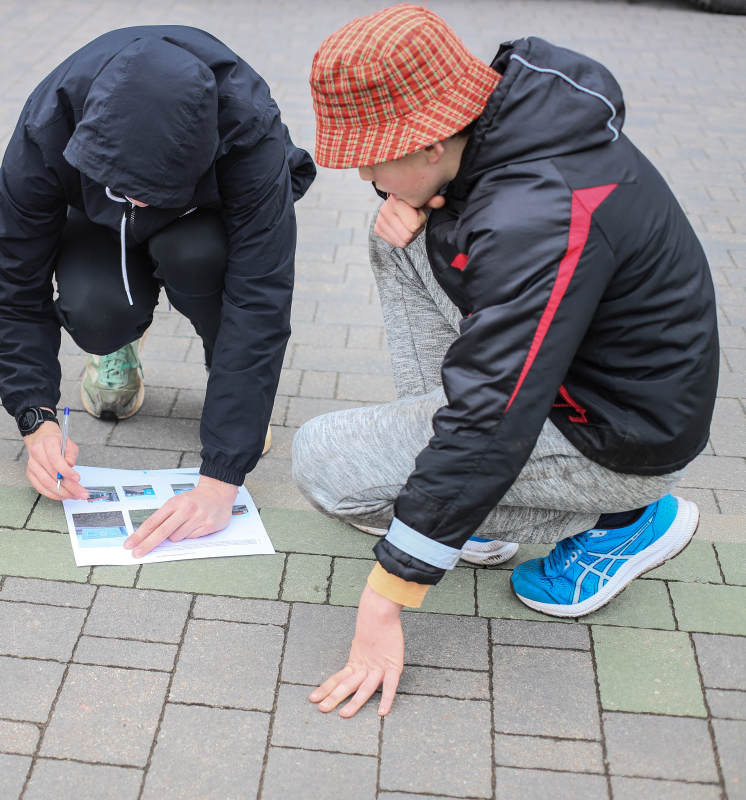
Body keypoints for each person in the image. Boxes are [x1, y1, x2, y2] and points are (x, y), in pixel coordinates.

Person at [292, 5, 717, 718]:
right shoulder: (513, 112)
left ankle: (626, 520)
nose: (362, 168)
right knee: (394, 234)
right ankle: (462, 497)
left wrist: (388, 597)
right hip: (574, 378)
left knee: (322, 464)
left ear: (431, 142)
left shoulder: (535, 216)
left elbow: (493, 414)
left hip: (619, 434)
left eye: (373, 152)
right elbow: (499, 355)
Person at [0, 26, 316, 554]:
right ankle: (117, 350)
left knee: (203, 258)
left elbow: (261, 299)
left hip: (196, 224)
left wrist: (223, 475)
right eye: (125, 190)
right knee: (94, 309)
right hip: (94, 222)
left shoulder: (251, 133)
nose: (136, 206)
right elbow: (11, 281)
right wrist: (35, 418)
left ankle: (225, 376)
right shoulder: (50, 122)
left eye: (145, 195)